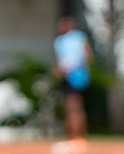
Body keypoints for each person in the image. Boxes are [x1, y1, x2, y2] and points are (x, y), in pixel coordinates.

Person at [52, 15, 93, 151]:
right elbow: (58, 61)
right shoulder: (59, 41)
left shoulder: (79, 37)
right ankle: (73, 137)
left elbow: (88, 57)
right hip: (66, 77)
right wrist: (59, 70)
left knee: (74, 106)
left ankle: (78, 137)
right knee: (69, 107)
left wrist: (74, 66)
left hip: (76, 76)